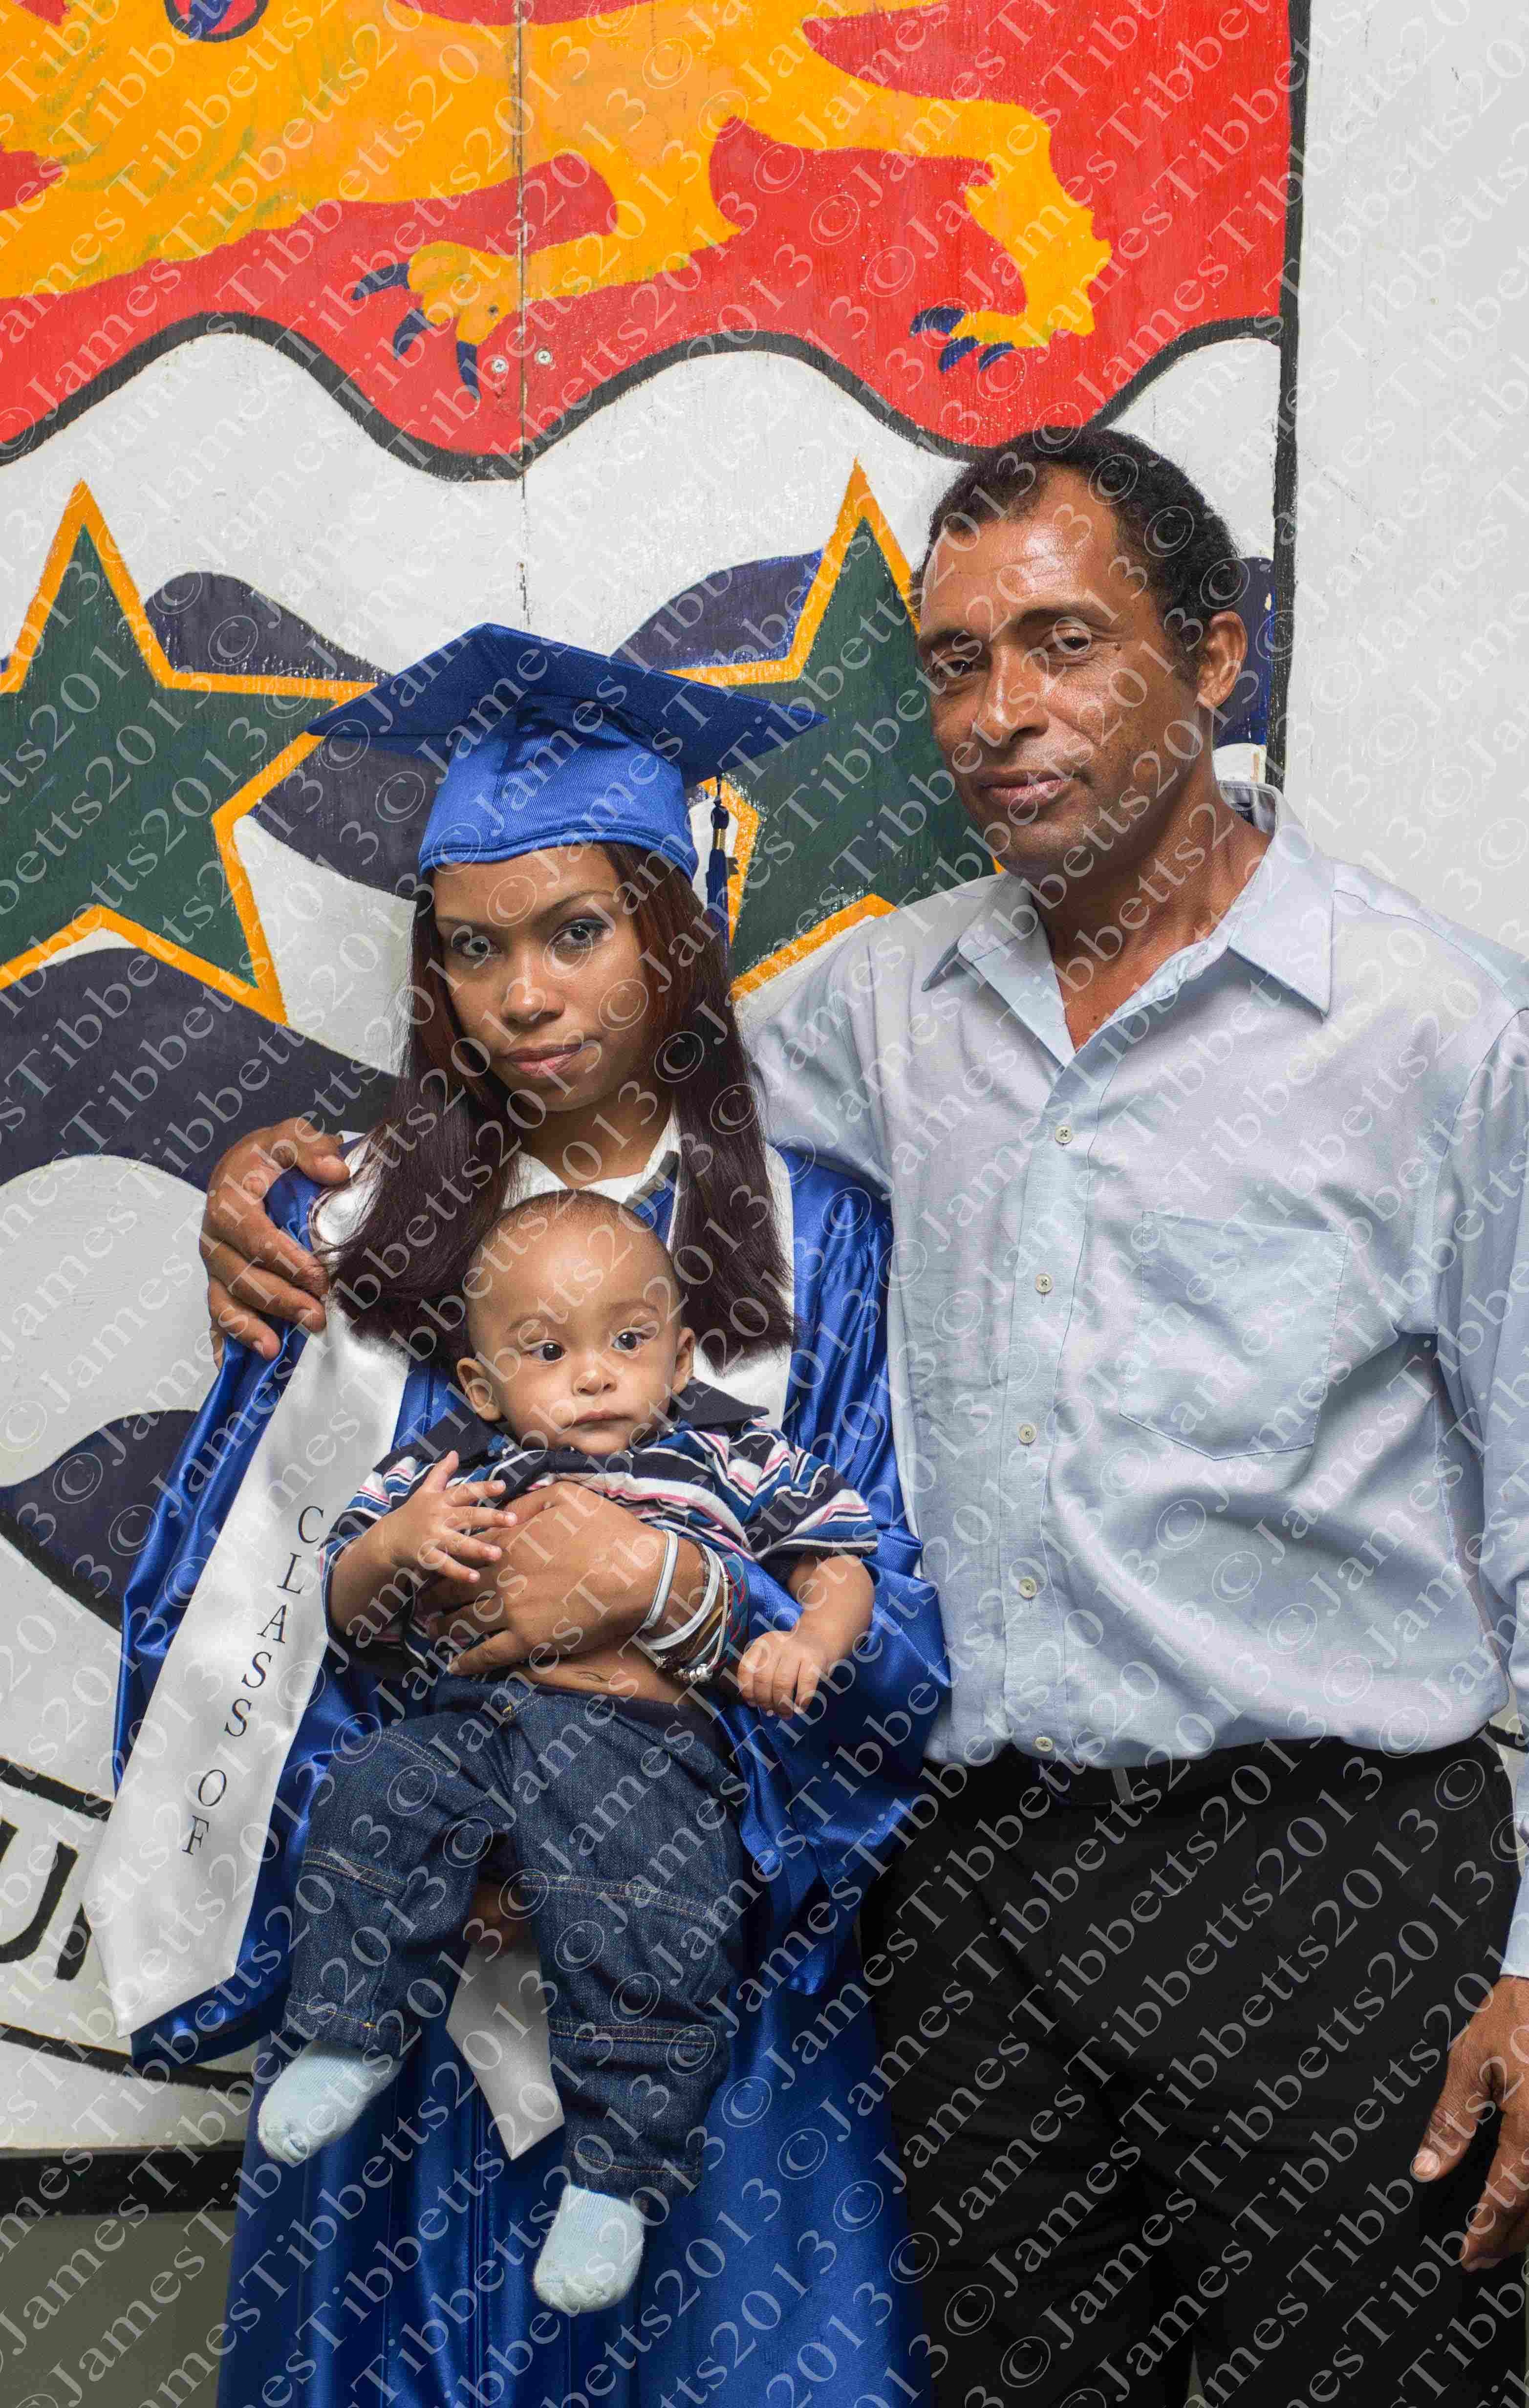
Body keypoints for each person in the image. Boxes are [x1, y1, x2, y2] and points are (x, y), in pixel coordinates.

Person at [204, 430, 1529, 2408]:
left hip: (1327, 1877)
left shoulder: (1444, 1031)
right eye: (955, 661)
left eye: (1064, 642)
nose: (1001, 710)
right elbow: (582, 1111)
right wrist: (293, 1179)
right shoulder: (877, 1008)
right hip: (978, 1906)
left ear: (1214, 658)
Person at [90, 630, 948, 2408]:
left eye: (574, 932)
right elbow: (221, 1629)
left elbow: (897, 1647)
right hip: (411, 2021)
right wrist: (446, 1854)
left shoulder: (824, 1243)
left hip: (715, 2015)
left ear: (671, 938)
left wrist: (673, 1600)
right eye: (472, 947)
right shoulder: (342, 1239)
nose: (523, 996)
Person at [259, 1189, 879, 2325]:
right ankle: (350, 2030)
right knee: (373, 1792)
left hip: (638, 1743)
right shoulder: (454, 1464)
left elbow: (840, 1557)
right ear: (482, 1382)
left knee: (646, 1918)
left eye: (628, 1340)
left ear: (681, 1353)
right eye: (548, 1351)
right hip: (473, 1721)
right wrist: (396, 1546)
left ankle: (617, 2178)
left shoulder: (727, 1448)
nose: (594, 1375)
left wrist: (808, 1641)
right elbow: (343, 1608)